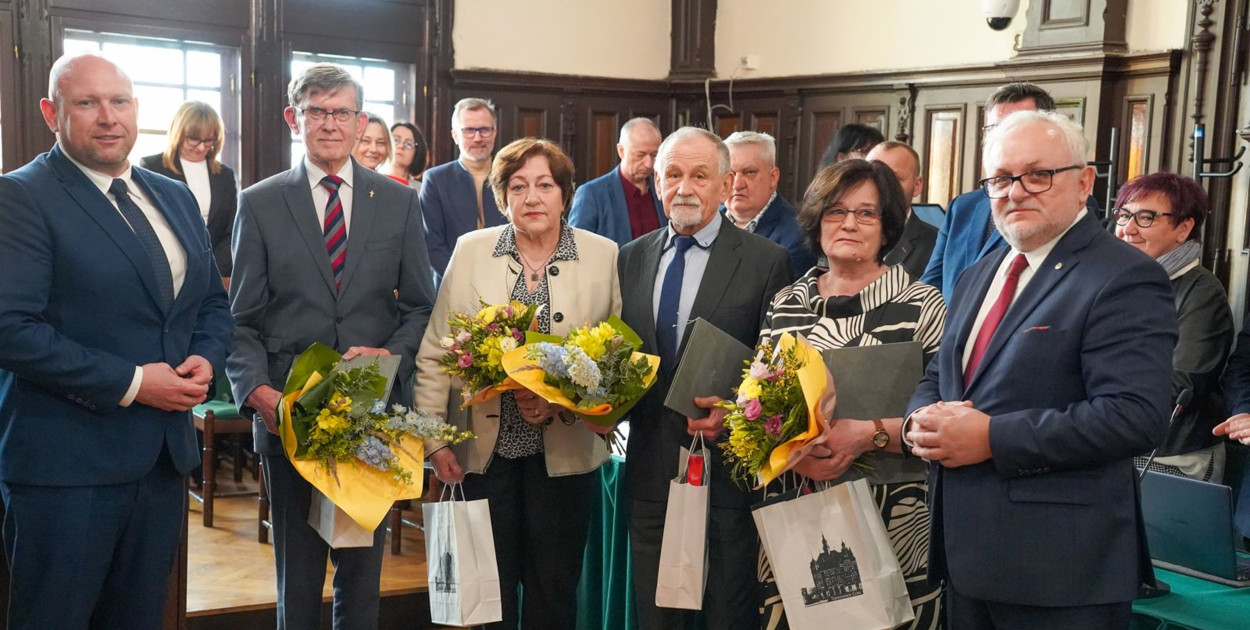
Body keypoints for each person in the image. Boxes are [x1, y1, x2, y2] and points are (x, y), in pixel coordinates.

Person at [905, 110, 1177, 629]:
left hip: (1061, 574)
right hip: (964, 559)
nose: (1016, 192)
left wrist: (993, 437)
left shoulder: (1124, 276)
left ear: (1083, 183)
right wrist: (919, 419)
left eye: (1037, 175)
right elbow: (938, 375)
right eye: (1001, 179)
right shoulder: (978, 274)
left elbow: (1134, 417)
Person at [0, 53, 233, 629]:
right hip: (66, 466)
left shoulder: (172, 195)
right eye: (87, 103)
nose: (108, 117)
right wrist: (133, 384)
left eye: (120, 102)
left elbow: (209, 301)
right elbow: (10, 328)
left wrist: (206, 356)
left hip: (161, 462)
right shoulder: (20, 197)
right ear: (53, 112)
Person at [226, 63, 435, 630]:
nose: (329, 123)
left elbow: (421, 305)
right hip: (289, 414)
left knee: (361, 574)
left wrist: (389, 359)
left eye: (341, 111)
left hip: (373, 417)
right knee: (297, 575)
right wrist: (259, 393)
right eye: (317, 111)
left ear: (361, 121)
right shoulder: (261, 202)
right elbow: (240, 320)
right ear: (295, 118)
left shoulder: (398, 202)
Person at [416, 138, 620, 629]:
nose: (532, 198)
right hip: (485, 457)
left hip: (566, 458)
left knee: (555, 588)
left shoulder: (602, 255)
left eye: (545, 185)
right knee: (490, 592)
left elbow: (614, 364)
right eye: (518, 186)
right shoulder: (472, 250)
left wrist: (563, 405)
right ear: (502, 196)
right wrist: (433, 439)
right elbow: (436, 351)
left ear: (565, 195)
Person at [756, 158, 946, 629]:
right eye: (836, 211)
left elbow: (946, 415)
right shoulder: (787, 305)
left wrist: (868, 435)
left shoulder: (923, 306)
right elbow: (756, 408)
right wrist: (793, 452)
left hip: (895, 513)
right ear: (817, 221)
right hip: (796, 509)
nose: (849, 224)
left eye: (867, 213)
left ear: (888, 229)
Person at [618, 127, 791, 630]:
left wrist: (737, 414)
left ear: (724, 184)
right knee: (657, 615)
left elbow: (777, 367)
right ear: (655, 182)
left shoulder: (766, 261)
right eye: (672, 174)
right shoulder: (630, 258)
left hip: (729, 474)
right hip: (650, 467)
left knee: (727, 614)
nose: (685, 188)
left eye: (699, 175)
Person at [1111, 173, 1232, 483]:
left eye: (1146, 217)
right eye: (1124, 215)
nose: (1128, 229)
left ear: (1184, 228)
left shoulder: (1202, 291)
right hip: (1110, 445)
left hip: (1171, 457)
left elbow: (1183, 383)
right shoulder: (1114, 282)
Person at [920, 82, 1055, 300]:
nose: (1001, 139)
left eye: (1014, 128)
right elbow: (930, 288)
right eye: (994, 129)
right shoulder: (962, 207)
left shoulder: (1058, 203)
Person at [140, 100, 238, 278]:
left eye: (209, 141)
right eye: (194, 139)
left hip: (217, 272)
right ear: (178, 133)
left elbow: (231, 229)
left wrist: (214, 269)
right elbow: (149, 225)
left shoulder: (225, 175)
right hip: (169, 269)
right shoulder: (152, 166)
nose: (201, 147)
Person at [421, 97, 507, 281]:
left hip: (506, 283)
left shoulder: (511, 177)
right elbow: (432, 245)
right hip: (451, 286)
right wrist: (463, 282)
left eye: (484, 130)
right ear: (455, 136)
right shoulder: (436, 179)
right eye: (468, 130)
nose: (477, 138)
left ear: (494, 133)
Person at [721, 130, 815, 280]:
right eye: (730, 174)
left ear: (773, 177)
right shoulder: (708, 219)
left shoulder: (796, 239)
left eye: (749, 172)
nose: (737, 184)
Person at [568, 117, 667, 246]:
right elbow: (576, 247)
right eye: (640, 155)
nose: (648, 164)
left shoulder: (663, 189)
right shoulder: (592, 194)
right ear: (621, 151)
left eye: (654, 155)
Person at [868, 141, 938, 279]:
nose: (883, 185)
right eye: (874, 177)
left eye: (895, 178)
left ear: (917, 185)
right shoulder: (841, 233)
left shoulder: (936, 245)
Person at [817, 122, 884, 170]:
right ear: (842, 157)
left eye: (876, 151)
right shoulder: (830, 188)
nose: (874, 156)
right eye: (864, 151)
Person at [388, 121, 428, 190]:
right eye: (396, 140)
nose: (401, 146)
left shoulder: (421, 190)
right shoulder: (373, 180)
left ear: (417, 152)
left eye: (408, 144)